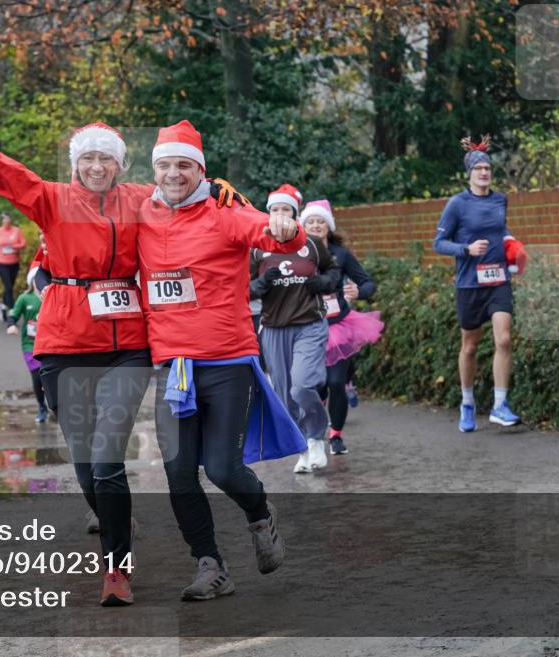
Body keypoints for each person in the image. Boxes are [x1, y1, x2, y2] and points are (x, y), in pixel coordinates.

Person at [0, 58, 243, 607]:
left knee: (107, 457)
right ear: (77, 162)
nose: (99, 165)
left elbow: (187, 193)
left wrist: (221, 189)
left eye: (108, 157)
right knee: (85, 464)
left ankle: (116, 570)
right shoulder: (51, 199)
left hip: (129, 345)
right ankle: (116, 534)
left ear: (120, 163)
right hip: (62, 343)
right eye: (89, 157)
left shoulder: (141, 199)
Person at [137, 122, 307, 601]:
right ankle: (210, 565)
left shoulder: (224, 211)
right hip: (175, 367)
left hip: (227, 362)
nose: (174, 173)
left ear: (201, 171)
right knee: (177, 472)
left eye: (184, 165)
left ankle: (260, 514)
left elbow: (273, 237)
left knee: (223, 468)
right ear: (155, 170)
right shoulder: (141, 213)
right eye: (165, 165)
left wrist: (285, 229)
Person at [433, 135, 527, 433]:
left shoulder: (501, 199)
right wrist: (466, 250)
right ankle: (468, 402)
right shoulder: (457, 204)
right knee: (470, 346)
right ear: (469, 173)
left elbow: (501, 230)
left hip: (498, 279)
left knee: (504, 340)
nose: (484, 172)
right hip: (469, 284)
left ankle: (500, 405)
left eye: (487, 168)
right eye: (479, 169)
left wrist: (513, 246)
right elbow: (439, 243)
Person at [250, 193, 342, 474]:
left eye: (285, 210)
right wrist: (261, 284)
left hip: (309, 325)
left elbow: (334, 272)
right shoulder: (257, 248)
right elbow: (242, 288)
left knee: (301, 386)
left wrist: (323, 282)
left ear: (294, 214)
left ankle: (316, 436)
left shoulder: (311, 244)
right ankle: (302, 446)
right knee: (284, 397)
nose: (280, 215)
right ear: (267, 214)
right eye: (275, 209)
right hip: (274, 329)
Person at [299, 200, 384, 455]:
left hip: (339, 327)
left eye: (320, 221)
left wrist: (358, 291)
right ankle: (315, 431)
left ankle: (335, 435)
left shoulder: (341, 255)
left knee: (335, 382)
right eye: (310, 221)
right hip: (306, 329)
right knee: (316, 385)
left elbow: (368, 284)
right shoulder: (297, 254)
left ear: (328, 226)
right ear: (303, 226)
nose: (316, 225)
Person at [6, 278, 48, 422]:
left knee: (50, 376)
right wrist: (10, 325)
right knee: (37, 377)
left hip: (50, 344)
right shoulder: (25, 298)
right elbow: (13, 316)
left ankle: (56, 406)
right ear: (32, 281)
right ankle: (42, 406)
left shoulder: (52, 295)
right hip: (30, 345)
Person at [0, 212, 27, 322]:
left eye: (8, 219)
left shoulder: (16, 231)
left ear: (11, 220)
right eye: (4, 219)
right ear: (1, 220)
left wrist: (14, 246)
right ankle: (12, 310)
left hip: (14, 263)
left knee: (9, 286)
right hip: (0, 263)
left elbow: (23, 243)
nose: (7, 221)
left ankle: (2, 306)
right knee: (8, 286)